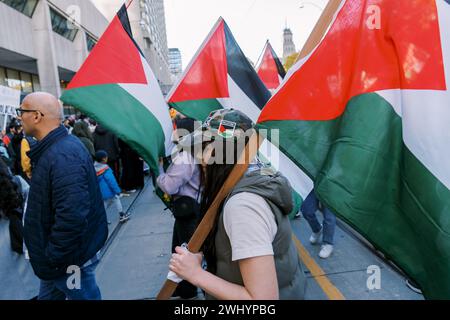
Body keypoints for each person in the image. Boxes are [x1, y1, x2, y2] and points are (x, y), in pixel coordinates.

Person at [168, 109, 307, 300]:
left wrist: (195, 274)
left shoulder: (243, 207)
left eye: (205, 148)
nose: (202, 159)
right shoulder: (258, 175)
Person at [18, 92, 108, 300]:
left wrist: (55, 257)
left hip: (67, 261)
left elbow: (73, 215)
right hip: (59, 259)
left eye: (22, 111)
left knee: (84, 297)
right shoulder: (56, 150)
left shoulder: (62, 155)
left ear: (37, 116)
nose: (19, 117)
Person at [157, 117, 201, 299]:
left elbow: (169, 186)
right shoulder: (197, 152)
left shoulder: (185, 156)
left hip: (188, 213)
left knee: (185, 252)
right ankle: (184, 288)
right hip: (191, 210)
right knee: (180, 249)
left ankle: (188, 290)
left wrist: (159, 172)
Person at [94, 150, 130, 223]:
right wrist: (117, 190)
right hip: (110, 191)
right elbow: (111, 181)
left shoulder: (94, 168)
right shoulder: (105, 169)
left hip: (101, 192)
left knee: (104, 205)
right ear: (104, 159)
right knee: (117, 199)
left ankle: (103, 219)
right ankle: (122, 215)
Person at [301, 189, 336, 259]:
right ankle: (317, 229)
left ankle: (328, 243)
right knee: (306, 209)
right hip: (318, 186)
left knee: (329, 216)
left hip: (333, 188)